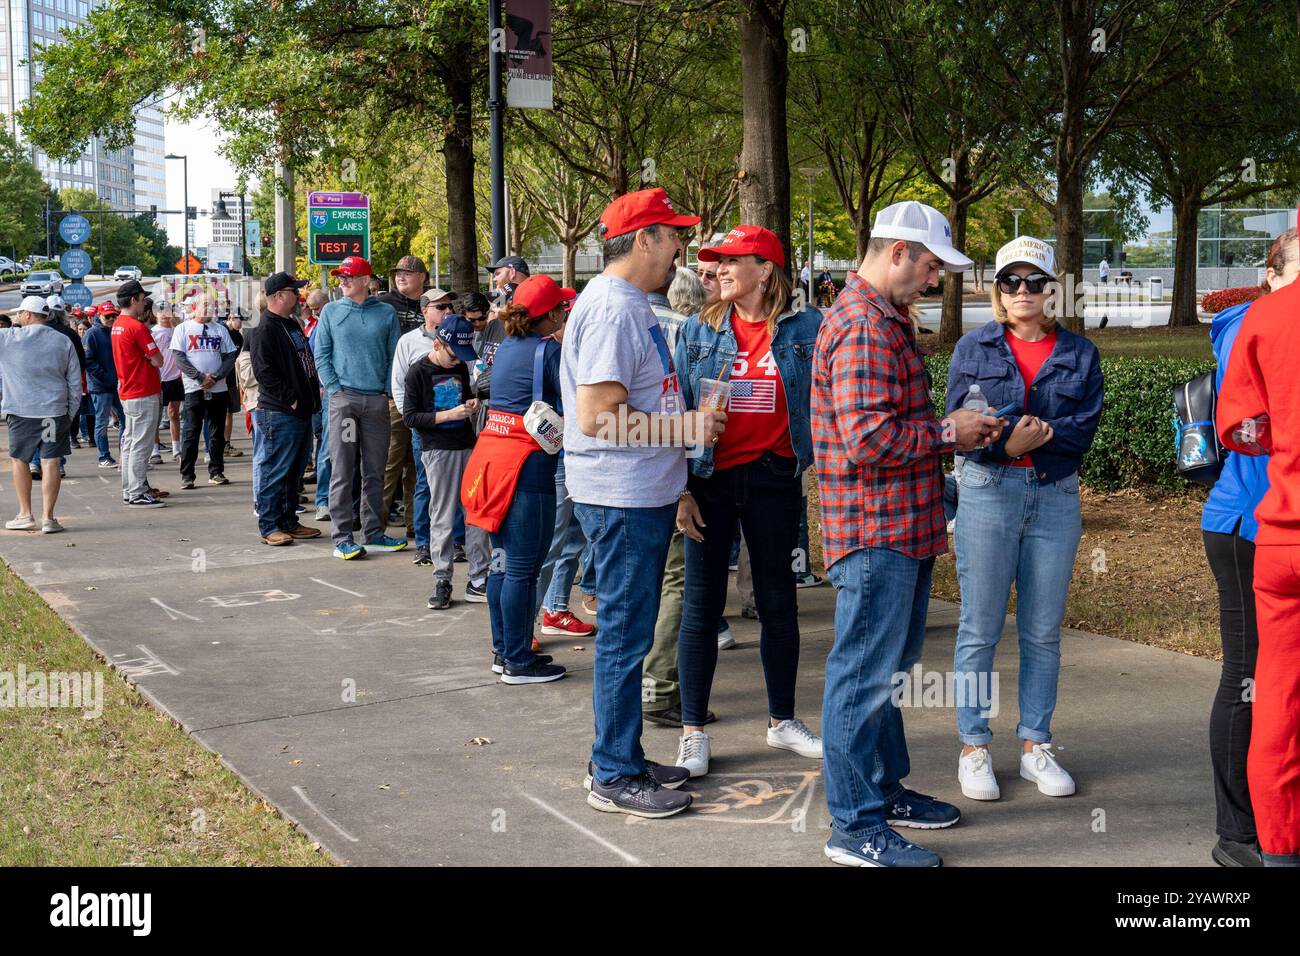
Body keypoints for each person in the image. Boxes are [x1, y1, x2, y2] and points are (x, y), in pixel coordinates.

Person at [814, 200, 1002, 867]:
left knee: (885, 675)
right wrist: (953, 433)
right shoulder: (865, 324)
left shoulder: (879, 316)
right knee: (864, 678)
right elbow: (869, 440)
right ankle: (855, 825)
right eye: (928, 266)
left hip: (898, 527)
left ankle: (882, 790)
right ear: (896, 252)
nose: (931, 280)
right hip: (877, 531)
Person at [560, 187, 724, 818]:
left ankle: (620, 753)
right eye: (674, 234)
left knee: (628, 634)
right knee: (626, 638)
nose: (681, 247)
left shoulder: (625, 303)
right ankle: (613, 773)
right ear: (644, 238)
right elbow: (600, 417)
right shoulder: (613, 308)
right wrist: (685, 431)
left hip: (637, 495)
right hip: (622, 498)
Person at [946, 236, 1104, 805]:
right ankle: (974, 746)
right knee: (979, 627)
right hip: (988, 492)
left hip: (1055, 496)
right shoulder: (974, 347)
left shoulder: (1081, 353)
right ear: (998, 291)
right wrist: (1004, 446)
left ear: (1052, 290)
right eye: (1011, 282)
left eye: (1034, 282)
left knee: (1041, 630)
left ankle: (1036, 744)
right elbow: (958, 424)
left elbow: (1084, 428)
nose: (1022, 292)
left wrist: (1033, 437)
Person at [669, 225, 824, 778]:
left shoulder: (809, 328)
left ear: (766, 269)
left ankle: (782, 720)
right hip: (710, 482)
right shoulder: (697, 330)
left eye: (733, 261)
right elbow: (677, 410)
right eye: (717, 262)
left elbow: (828, 400)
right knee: (701, 607)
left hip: (774, 479)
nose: (720, 270)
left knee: (779, 604)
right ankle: (692, 732)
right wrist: (681, 489)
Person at [1204, 224, 1299, 867]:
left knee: (1270, 690)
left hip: (1274, 526)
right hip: (1246, 522)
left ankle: (1271, 840)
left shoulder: (1262, 320)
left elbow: (1241, 425)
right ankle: (1242, 832)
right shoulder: (1253, 321)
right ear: (1270, 272)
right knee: (1249, 678)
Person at [462, 275, 568, 676]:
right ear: (552, 312)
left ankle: (505, 651)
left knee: (502, 565)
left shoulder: (506, 348)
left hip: (490, 460)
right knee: (523, 569)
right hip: (527, 468)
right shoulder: (550, 352)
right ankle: (519, 662)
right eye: (560, 307)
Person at [642, 265, 718, 726]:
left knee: (646, 583)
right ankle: (660, 686)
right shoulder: (688, 330)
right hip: (676, 470)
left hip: (640, 475)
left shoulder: (619, 322)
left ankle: (651, 682)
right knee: (676, 581)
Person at [313, 255, 405, 559]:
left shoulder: (386, 313)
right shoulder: (330, 311)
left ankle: (373, 533)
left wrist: (387, 392)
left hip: (376, 401)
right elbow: (321, 354)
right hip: (345, 401)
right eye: (341, 277)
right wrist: (336, 390)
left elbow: (395, 356)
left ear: (366, 280)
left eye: (349, 276)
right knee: (342, 468)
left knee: (375, 470)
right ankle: (341, 538)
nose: (343, 281)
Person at [405, 311, 490, 609]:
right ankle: (443, 578)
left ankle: (479, 577)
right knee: (442, 514)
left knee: (476, 511)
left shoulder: (458, 368)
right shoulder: (418, 372)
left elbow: (465, 394)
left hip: (466, 444)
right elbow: (410, 416)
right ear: (439, 344)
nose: (459, 361)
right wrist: (447, 416)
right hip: (438, 449)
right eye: (455, 354)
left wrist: (471, 404)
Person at [529, 286, 594, 639]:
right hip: (560, 458)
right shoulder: (551, 353)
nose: (568, 319)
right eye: (564, 313)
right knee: (551, 543)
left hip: (573, 457)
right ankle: (527, 624)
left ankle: (555, 609)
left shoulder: (563, 349)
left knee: (572, 540)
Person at [245, 272, 323, 546]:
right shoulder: (264, 327)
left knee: (293, 470)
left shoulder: (290, 324)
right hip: (279, 412)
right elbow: (264, 371)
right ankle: (269, 525)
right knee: (275, 469)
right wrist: (290, 399)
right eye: (294, 291)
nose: (299, 295)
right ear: (278, 296)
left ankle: (289, 521)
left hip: (300, 410)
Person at [0, 297, 80, 533]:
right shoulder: (63, 340)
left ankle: (25, 513)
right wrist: (71, 413)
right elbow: (74, 381)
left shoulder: (8, 338)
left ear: (28, 315)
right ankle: (48, 518)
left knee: (20, 459)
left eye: (19, 314)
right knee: (51, 461)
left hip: (21, 411)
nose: (16, 318)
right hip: (54, 411)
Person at [393, 288, 458, 567]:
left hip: (457, 426)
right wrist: (410, 419)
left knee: (455, 486)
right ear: (425, 311)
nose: (447, 311)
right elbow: (398, 383)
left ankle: (456, 542)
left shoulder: (458, 336)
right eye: (440, 307)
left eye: (449, 307)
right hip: (425, 427)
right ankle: (423, 543)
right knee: (425, 484)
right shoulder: (408, 342)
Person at [379, 255, 430, 536]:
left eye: (408, 273)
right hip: (394, 394)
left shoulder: (434, 304)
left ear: (423, 276)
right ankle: (377, 524)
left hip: (426, 399)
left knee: (417, 465)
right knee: (390, 462)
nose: (401, 277)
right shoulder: (385, 304)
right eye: (398, 273)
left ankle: (416, 523)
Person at [170, 292, 240, 489]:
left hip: (218, 388)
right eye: (206, 305)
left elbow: (229, 356)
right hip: (194, 388)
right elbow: (179, 358)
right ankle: (187, 475)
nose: (210, 308)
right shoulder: (182, 329)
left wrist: (216, 376)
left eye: (213, 305)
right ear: (195, 307)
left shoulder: (220, 329)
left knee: (217, 432)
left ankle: (216, 471)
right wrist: (200, 377)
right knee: (191, 432)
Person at [111, 280, 166, 508]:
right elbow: (158, 360)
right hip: (142, 391)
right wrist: (149, 359)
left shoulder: (118, 324)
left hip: (129, 389)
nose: (145, 304)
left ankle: (130, 489)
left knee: (132, 443)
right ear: (134, 299)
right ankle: (136, 491)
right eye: (143, 299)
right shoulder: (137, 327)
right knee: (140, 444)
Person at [83, 302, 124, 469]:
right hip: (101, 386)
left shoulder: (116, 331)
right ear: (99, 316)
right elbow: (88, 360)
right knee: (101, 422)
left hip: (117, 384)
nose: (112, 318)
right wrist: (106, 377)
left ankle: (124, 454)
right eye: (108, 316)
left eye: (114, 315)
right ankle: (103, 456)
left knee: (125, 419)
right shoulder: (91, 334)